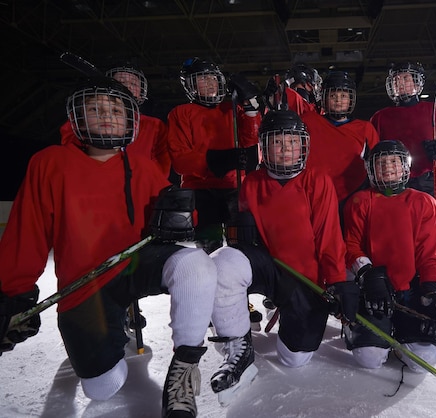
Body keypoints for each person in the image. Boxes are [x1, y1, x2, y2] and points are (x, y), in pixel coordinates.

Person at [0, 78, 256, 416]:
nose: (107, 116)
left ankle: (183, 370)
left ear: (129, 120)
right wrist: (12, 293)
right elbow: (27, 234)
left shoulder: (141, 166)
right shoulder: (50, 163)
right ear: (78, 118)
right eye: (95, 109)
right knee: (103, 387)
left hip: (135, 265)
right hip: (87, 284)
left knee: (195, 263)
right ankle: (110, 331)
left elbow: (179, 210)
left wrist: (180, 214)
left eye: (116, 110)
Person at [216, 109, 360, 368]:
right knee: (225, 263)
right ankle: (236, 339)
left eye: (293, 141)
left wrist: (337, 282)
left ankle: (292, 312)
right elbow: (245, 246)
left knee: (295, 358)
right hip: (269, 268)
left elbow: (329, 237)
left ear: (303, 145)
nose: (286, 149)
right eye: (277, 142)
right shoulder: (251, 183)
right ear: (265, 147)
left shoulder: (317, 180)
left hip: (305, 277)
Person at [370, 61, 436, 314]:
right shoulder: (380, 117)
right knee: (398, 236)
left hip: (428, 179)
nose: (402, 83)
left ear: (418, 82)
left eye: (407, 79)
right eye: (397, 80)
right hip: (395, 184)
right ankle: (403, 285)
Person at [342, 140, 436, 371]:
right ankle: (359, 326)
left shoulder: (425, 202)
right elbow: (351, 246)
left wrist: (433, 291)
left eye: (393, 161)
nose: (388, 167)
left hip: (410, 291)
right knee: (369, 358)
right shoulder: (359, 201)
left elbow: (431, 253)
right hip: (373, 291)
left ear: (405, 166)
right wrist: (368, 274)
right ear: (371, 169)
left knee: (423, 360)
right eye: (381, 163)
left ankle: (403, 331)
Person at [167, 57, 263, 324]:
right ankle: (210, 303)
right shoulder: (181, 114)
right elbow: (180, 160)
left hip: (235, 187)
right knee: (208, 250)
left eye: (212, 78)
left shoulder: (232, 109)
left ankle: (238, 300)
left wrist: (252, 107)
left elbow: (252, 138)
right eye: (202, 79)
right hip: (201, 190)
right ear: (190, 85)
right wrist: (217, 160)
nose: (208, 84)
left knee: (238, 249)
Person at [59, 63, 171, 178]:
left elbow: (162, 163)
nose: (128, 86)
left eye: (133, 83)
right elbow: (71, 150)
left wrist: (144, 182)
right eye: (121, 82)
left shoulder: (155, 125)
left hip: (140, 186)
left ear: (141, 91)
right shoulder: (86, 119)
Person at [301, 70, 379, 207]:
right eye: (333, 95)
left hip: (353, 196)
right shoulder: (309, 121)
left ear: (350, 99)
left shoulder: (365, 128)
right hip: (313, 195)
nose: (338, 100)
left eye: (343, 95)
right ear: (324, 98)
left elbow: (377, 165)